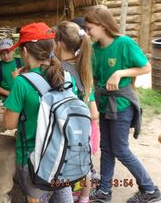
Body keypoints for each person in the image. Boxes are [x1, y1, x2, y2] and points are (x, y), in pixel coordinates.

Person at [84, 7, 161, 203]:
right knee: (106, 148)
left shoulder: (124, 43)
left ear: (102, 26)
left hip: (122, 104)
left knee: (120, 149)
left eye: (89, 28)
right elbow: (94, 77)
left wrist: (120, 73)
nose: (87, 33)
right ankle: (104, 191)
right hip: (104, 104)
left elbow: (146, 67)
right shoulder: (94, 50)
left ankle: (149, 189)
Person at [2, 22, 73, 203]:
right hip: (62, 153)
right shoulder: (66, 75)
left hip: (33, 158)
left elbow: (9, 124)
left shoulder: (21, 82)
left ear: (25, 52)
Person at [54, 21, 100, 203]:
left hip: (68, 130)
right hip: (83, 127)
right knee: (84, 166)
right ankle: (84, 197)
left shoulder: (61, 71)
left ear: (57, 44)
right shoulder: (83, 68)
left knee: (63, 171)